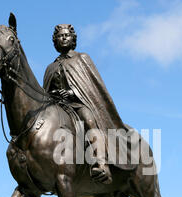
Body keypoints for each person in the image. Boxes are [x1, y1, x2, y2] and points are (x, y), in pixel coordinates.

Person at [43, 24, 135, 184]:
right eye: (60, 36)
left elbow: (91, 87)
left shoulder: (81, 59)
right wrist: (53, 95)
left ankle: (101, 163)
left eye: (67, 35)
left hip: (79, 105)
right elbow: (45, 94)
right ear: (55, 41)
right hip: (57, 108)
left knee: (89, 119)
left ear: (73, 39)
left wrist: (72, 93)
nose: (63, 38)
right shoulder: (50, 68)